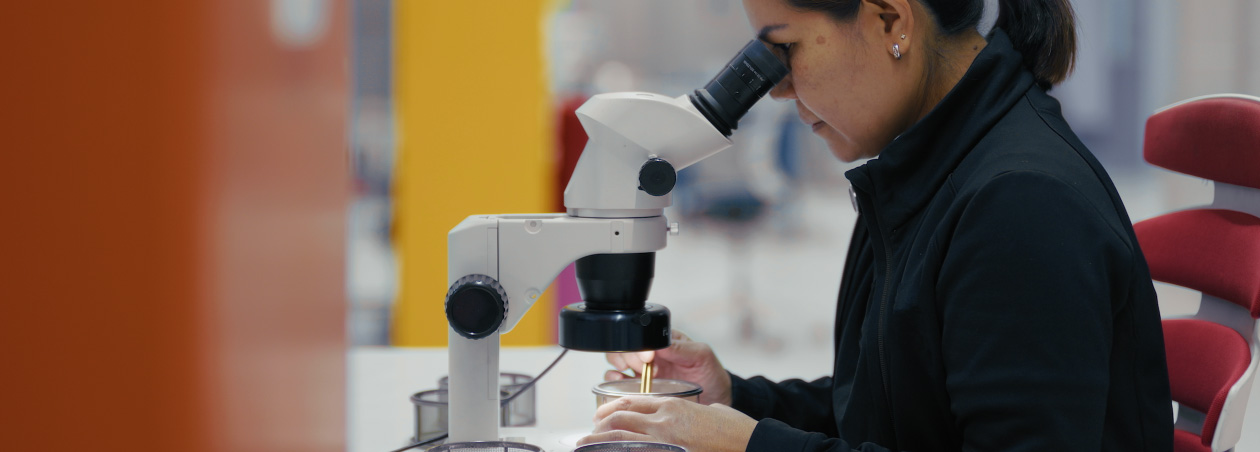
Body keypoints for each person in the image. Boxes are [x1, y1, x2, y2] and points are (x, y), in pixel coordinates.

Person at [577, 0, 1174, 451]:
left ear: (891, 20)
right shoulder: (923, 171)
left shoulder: (1022, 207)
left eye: (786, 49)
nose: (777, 90)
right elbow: (893, 411)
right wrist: (735, 398)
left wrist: (752, 446)